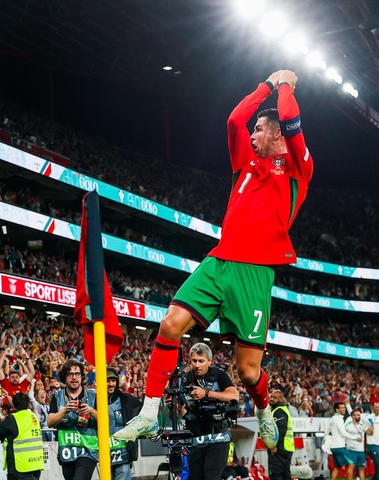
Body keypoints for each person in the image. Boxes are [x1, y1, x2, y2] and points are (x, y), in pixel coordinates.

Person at [114, 69, 313, 451]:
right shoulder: (245, 162)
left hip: (255, 275)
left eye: (260, 129)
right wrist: (266, 85)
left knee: (247, 370)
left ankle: (265, 410)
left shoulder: (297, 170)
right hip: (219, 262)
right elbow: (234, 119)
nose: (251, 134)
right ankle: (148, 413)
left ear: (276, 135)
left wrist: (286, 83)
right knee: (170, 325)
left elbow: (289, 117)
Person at [172, 343, 239, 480]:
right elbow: (174, 413)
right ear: (189, 361)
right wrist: (172, 406)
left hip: (217, 437)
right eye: (194, 361)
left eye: (201, 361)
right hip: (194, 439)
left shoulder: (219, 374)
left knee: (210, 477)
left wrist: (207, 393)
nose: (197, 365)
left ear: (209, 361)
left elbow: (234, 396)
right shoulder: (183, 380)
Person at [48, 359, 100, 480]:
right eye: (70, 374)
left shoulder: (94, 396)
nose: (74, 377)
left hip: (88, 451)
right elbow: (50, 422)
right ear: (64, 377)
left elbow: (105, 420)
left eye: (77, 374)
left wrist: (91, 411)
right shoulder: (57, 396)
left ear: (82, 377)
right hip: (67, 452)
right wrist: (64, 410)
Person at [97, 365, 142, 480]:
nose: (111, 384)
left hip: (124, 454)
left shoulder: (127, 399)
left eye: (113, 381)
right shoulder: (95, 401)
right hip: (104, 454)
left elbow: (143, 413)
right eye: (107, 381)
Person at [0, 392, 44, 480]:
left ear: (14, 405)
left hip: (20, 466)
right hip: (35, 465)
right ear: (28, 404)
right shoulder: (33, 416)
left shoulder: (13, 419)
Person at [325, 403, 358, 480]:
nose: (344, 409)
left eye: (344, 407)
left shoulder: (332, 419)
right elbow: (343, 433)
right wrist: (355, 438)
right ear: (337, 409)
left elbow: (326, 432)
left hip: (333, 447)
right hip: (339, 446)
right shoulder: (338, 419)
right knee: (351, 464)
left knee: (337, 467)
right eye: (342, 408)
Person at [269, 389, 294, 480]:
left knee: (277, 474)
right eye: (271, 396)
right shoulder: (281, 410)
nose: (271, 399)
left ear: (280, 399)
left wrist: (274, 445)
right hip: (286, 447)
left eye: (274, 398)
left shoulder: (279, 411)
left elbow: (280, 430)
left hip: (280, 448)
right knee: (285, 474)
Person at [344, 407, 371, 480]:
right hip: (351, 449)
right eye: (357, 415)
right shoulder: (348, 425)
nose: (359, 416)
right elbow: (343, 434)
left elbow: (370, 433)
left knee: (362, 468)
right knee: (351, 467)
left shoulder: (362, 424)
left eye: (360, 415)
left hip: (361, 450)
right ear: (353, 416)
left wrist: (371, 424)